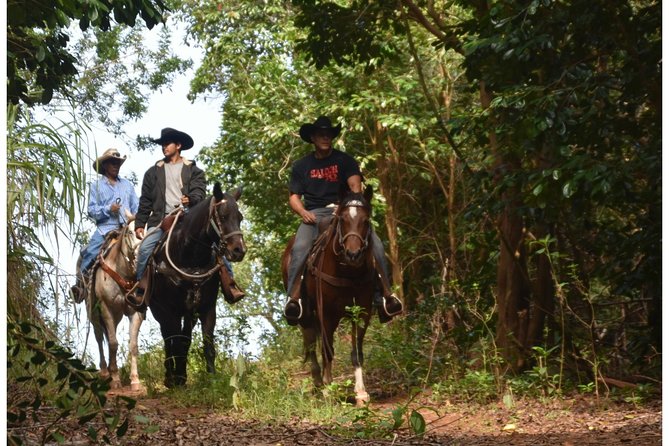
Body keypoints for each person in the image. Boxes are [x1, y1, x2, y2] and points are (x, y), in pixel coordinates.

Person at [283, 116, 403, 325]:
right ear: (312, 138)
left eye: (329, 134)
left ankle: (385, 296)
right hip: (314, 214)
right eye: (321, 134)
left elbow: (355, 185)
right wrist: (303, 212)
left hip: (345, 211)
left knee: (375, 244)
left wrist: (348, 205)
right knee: (299, 248)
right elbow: (294, 197)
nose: (325, 138)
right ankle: (294, 300)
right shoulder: (302, 166)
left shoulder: (345, 160)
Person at [126, 127, 244, 307]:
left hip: (188, 218)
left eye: (167, 143)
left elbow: (199, 193)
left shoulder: (195, 171)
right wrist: (140, 223)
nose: (164, 147)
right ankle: (140, 288)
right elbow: (146, 201)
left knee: (216, 248)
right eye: (163, 144)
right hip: (161, 220)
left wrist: (191, 199)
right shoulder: (152, 172)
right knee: (145, 249)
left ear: (178, 145)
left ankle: (230, 283)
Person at [70, 148, 139, 302]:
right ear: (105, 165)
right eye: (113, 163)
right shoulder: (96, 186)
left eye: (118, 163)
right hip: (105, 229)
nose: (116, 166)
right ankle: (80, 286)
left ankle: (144, 290)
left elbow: (137, 206)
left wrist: (135, 217)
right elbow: (92, 210)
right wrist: (109, 209)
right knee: (90, 253)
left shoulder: (127, 185)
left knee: (143, 250)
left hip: (127, 229)